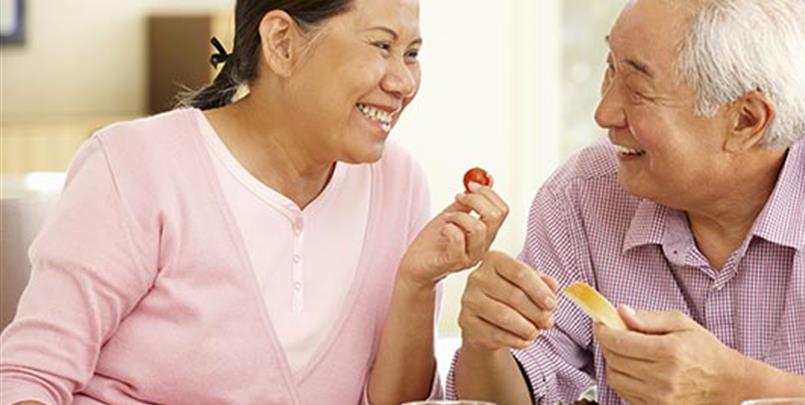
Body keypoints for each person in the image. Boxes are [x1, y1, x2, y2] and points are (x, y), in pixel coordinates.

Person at [449, 0, 805, 404]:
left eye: (637, 87)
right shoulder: (584, 196)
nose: (604, 112)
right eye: (610, 69)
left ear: (746, 120)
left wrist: (737, 387)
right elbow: (511, 392)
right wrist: (486, 342)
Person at [0, 0, 510, 404]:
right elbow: (27, 378)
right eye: (382, 45)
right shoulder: (135, 165)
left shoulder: (398, 182)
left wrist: (417, 283)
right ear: (282, 43)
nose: (403, 81)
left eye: (413, 53)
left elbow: (397, 402)